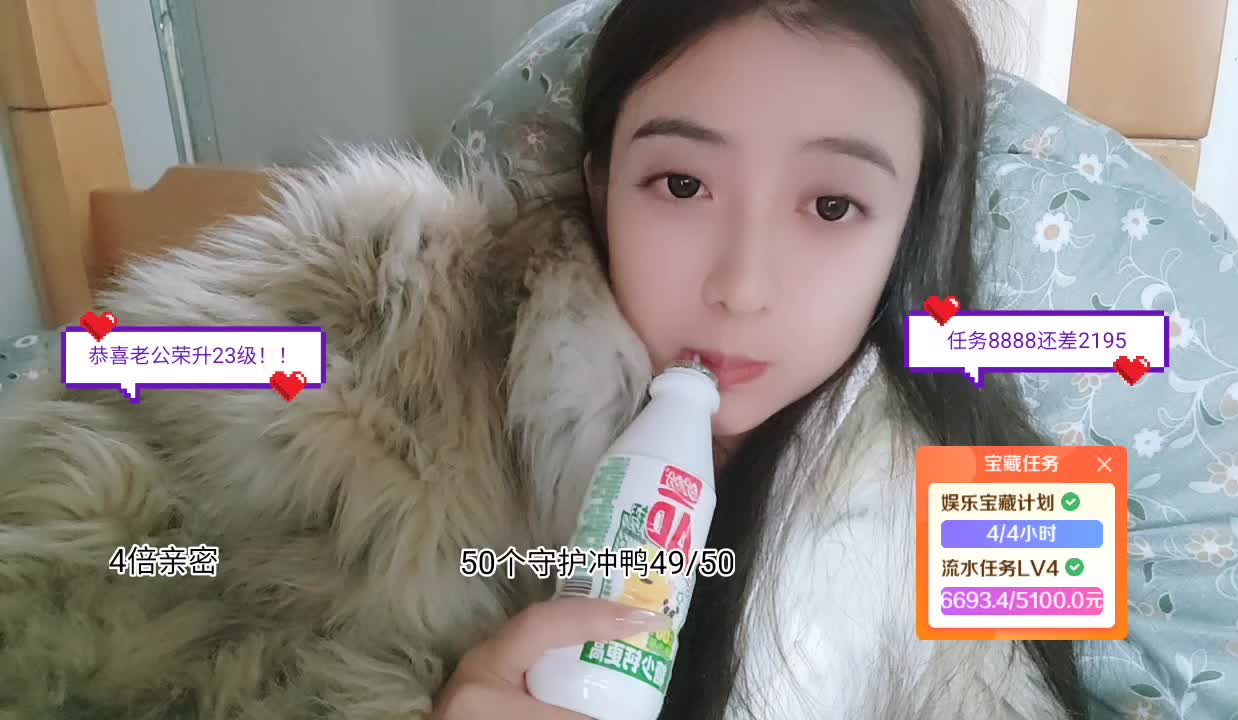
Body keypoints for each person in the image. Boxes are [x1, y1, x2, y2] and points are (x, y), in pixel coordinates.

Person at [0, 1, 1083, 718]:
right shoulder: (373, 318)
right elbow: (75, 578)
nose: (741, 286)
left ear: (912, 226)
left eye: (833, 205)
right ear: (601, 179)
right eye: (680, 184)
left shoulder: (1006, 499)